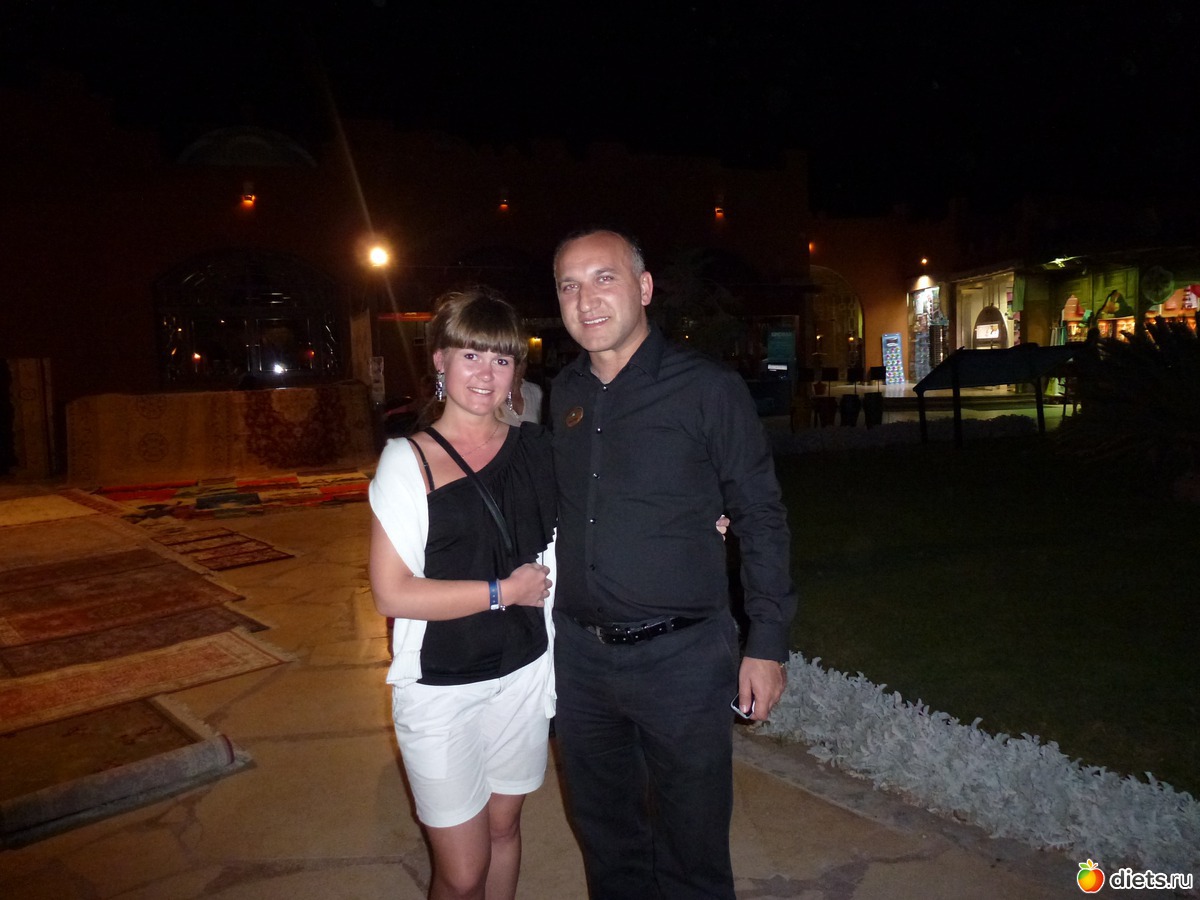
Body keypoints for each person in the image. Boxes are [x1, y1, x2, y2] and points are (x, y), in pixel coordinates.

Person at [549, 228, 797, 899]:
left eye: (604, 278)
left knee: (693, 854)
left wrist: (766, 644)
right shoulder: (564, 394)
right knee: (609, 847)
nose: (586, 299)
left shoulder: (706, 388)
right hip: (581, 663)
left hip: (681, 662)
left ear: (644, 287)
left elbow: (760, 514)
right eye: (569, 285)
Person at [368, 287, 557, 900]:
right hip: (442, 688)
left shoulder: (536, 450)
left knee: (505, 830)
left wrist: (699, 517)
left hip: (523, 673)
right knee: (462, 871)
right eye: (470, 355)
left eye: (501, 359)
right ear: (440, 361)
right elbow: (393, 593)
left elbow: (606, 504)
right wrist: (504, 591)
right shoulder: (408, 461)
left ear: (516, 372)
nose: (485, 373)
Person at [495, 357, 544, 425]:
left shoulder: (535, 391)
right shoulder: (492, 393)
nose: (518, 367)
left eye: (522, 362)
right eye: (514, 361)